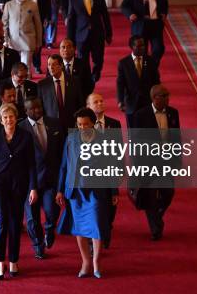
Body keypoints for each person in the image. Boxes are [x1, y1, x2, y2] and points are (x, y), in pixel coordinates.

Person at [56, 108, 119, 279]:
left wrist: (114, 191)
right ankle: (85, 262)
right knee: (80, 228)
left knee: (96, 227)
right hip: (76, 191)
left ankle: (97, 262)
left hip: (97, 192)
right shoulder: (71, 139)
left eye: (86, 124)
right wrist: (60, 190)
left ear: (93, 123)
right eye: (79, 125)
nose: (83, 128)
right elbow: (64, 166)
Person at [0, 103, 38, 280]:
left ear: (16, 118)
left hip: (19, 183)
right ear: (1, 120)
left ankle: (14, 260)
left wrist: (33, 187)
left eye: (12, 117)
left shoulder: (26, 136)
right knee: (1, 222)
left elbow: (31, 164)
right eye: (5, 117)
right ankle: (0, 262)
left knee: (15, 222)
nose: (9, 120)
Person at [131, 85, 181, 241]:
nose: (168, 98)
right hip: (148, 163)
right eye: (164, 95)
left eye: (168, 95)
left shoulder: (173, 113)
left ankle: (157, 216)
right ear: (154, 98)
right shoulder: (140, 115)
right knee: (150, 196)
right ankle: (155, 228)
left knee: (168, 193)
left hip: (167, 162)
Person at [19, 97, 64, 259]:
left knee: (52, 211)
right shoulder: (20, 129)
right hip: (29, 182)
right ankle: (38, 245)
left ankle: (50, 230)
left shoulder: (56, 123)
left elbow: (62, 153)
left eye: (39, 107)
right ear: (26, 111)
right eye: (32, 108)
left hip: (51, 179)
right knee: (32, 218)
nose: (37, 110)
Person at [86, 92, 122, 249]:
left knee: (109, 210)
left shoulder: (114, 124)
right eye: (96, 102)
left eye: (101, 101)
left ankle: (106, 231)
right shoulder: (83, 125)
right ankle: (92, 241)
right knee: (92, 209)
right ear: (88, 107)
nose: (100, 103)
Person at [66, 0, 112, 83]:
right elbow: (71, 19)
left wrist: (109, 33)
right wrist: (70, 39)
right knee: (82, 58)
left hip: (97, 33)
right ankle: (86, 76)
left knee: (98, 58)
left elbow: (105, 15)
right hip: (81, 34)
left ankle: (96, 73)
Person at [120, 0, 169, 66]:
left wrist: (163, 13)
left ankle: (152, 67)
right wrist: (130, 14)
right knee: (142, 52)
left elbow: (165, 4)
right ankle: (145, 71)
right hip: (140, 25)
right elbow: (124, 6)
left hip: (155, 24)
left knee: (158, 49)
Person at [116, 35, 161, 128]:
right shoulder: (123, 63)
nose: (142, 48)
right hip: (131, 103)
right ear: (132, 47)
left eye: (143, 45)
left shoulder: (151, 61)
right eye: (139, 46)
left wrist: (158, 97)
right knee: (133, 131)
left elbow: (156, 81)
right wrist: (120, 101)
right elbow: (120, 83)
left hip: (148, 102)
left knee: (149, 130)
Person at [2, 0, 42, 75]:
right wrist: (6, 39)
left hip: (28, 40)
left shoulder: (33, 5)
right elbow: (4, 24)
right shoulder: (8, 5)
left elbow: (38, 25)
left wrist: (39, 42)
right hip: (13, 41)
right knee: (14, 66)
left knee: (26, 66)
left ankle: (26, 84)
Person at [38, 54, 84, 130]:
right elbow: (41, 106)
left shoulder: (74, 81)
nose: (51, 68)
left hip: (71, 123)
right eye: (49, 65)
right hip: (52, 125)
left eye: (54, 65)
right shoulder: (42, 84)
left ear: (61, 66)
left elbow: (80, 103)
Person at [22, 0, 51, 75]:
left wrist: (47, 17)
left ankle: (37, 65)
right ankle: (26, 67)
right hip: (26, 19)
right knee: (28, 43)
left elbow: (47, 2)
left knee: (39, 41)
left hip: (39, 17)